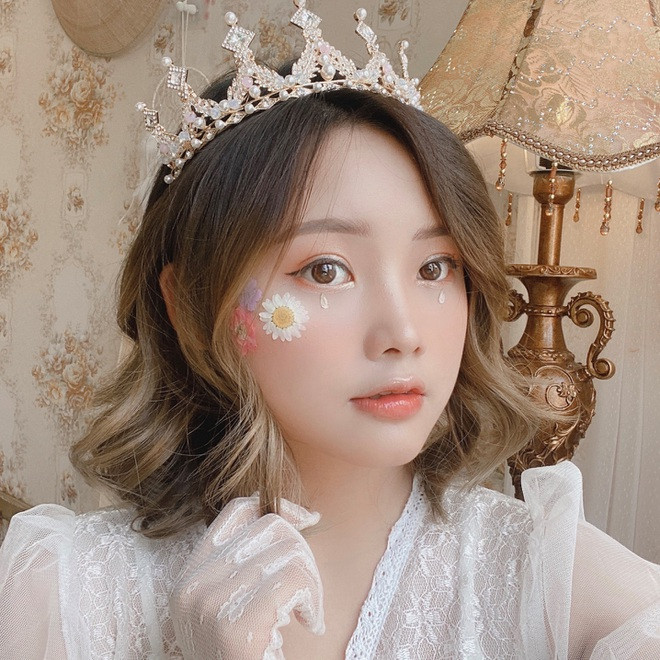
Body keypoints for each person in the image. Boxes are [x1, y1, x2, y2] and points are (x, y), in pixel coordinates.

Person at [1, 3, 658, 658]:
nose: (403, 333)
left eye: (435, 266)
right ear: (191, 305)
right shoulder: (63, 593)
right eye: (325, 270)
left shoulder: (550, 582)